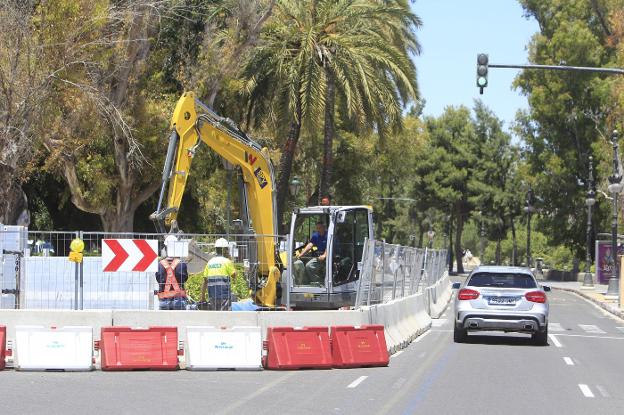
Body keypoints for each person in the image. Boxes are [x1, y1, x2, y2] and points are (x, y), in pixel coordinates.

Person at [201, 237, 237, 310]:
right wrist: (230, 260)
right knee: (225, 317)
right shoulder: (227, 261)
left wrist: (202, 297)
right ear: (224, 250)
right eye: (227, 249)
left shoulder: (210, 262)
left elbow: (205, 282)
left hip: (212, 296)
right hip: (224, 296)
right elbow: (234, 276)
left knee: (215, 317)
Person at [155, 235, 188, 310]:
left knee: (164, 321)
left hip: (164, 299)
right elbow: (185, 279)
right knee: (179, 321)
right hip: (179, 299)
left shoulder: (160, 264)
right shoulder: (181, 264)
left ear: (165, 248)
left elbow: (158, 279)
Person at [294, 221, 327, 285]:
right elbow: (309, 245)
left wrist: (324, 255)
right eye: (317, 228)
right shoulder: (315, 236)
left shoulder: (328, 235)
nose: (318, 230)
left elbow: (329, 247)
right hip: (320, 257)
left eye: (320, 228)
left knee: (326, 269)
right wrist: (300, 255)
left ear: (324, 228)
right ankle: (318, 282)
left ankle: (324, 283)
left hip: (330, 257)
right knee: (309, 266)